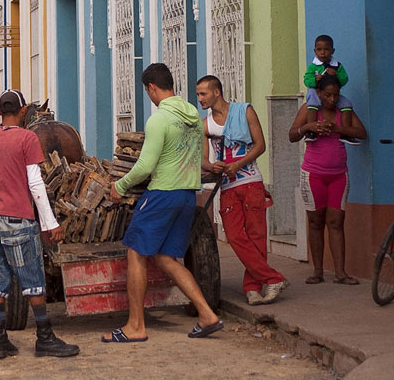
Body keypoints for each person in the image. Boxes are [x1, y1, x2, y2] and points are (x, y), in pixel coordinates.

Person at [107, 63, 223, 341]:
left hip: (162, 193)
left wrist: (120, 186)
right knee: (166, 257)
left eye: (148, 91)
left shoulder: (159, 120)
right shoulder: (193, 115)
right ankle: (207, 315)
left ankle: (136, 326)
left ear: (151, 88)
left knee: (136, 252)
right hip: (186, 194)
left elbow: (146, 166)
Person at [0, 89, 78, 360]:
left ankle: (0, 341)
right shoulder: (27, 138)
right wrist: (50, 222)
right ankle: (44, 338)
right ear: (23, 111)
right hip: (19, 220)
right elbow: (35, 183)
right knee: (33, 281)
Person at [197, 75, 288, 305]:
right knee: (236, 236)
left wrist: (238, 163)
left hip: (250, 182)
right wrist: (212, 166)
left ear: (216, 92)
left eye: (203, 94)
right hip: (227, 186)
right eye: (198, 94)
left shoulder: (245, 111)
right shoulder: (205, 125)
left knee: (257, 235)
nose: (200, 99)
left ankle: (252, 288)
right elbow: (203, 160)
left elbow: (260, 145)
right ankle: (273, 277)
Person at [288, 75, 366, 284]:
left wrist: (338, 128)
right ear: (319, 93)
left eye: (335, 95)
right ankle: (318, 271)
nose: (332, 99)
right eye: (327, 95)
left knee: (336, 221)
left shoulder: (344, 111)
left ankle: (340, 272)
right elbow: (292, 135)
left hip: (339, 175)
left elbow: (361, 132)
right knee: (315, 221)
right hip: (313, 175)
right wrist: (309, 128)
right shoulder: (309, 109)